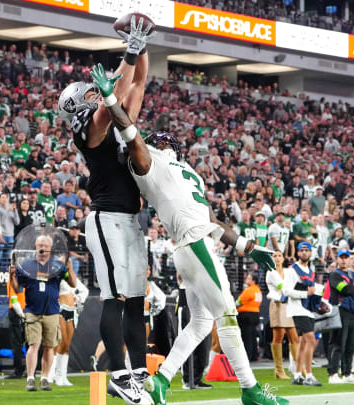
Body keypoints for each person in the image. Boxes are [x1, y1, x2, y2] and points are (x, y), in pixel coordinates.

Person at [91, 64, 285, 405]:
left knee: (200, 321)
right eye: (159, 138)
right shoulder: (150, 162)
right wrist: (109, 96)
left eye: (165, 138)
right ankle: (250, 390)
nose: (162, 139)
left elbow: (210, 216)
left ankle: (162, 380)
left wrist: (246, 245)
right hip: (193, 243)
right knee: (227, 313)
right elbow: (130, 131)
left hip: (197, 240)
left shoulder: (189, 172)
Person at [59, 16, 155, 404]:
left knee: (135, 301)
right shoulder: (87, 131)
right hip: (107, 220)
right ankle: (118, 374)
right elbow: (111, 98)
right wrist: (129, 50)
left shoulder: (117, 122)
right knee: (114, 298)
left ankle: (138, 370)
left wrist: (142, 46)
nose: (96, 96)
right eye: (90, 95)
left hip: (131, 220)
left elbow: (138, 84)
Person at [9, 234, 77, 392]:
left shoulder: (57, 266)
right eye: (40, 245)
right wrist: (11, 275)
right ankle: (31, 378)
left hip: (52, 311)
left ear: (50, 249)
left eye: (45, 246)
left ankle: (45, 378)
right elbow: (16, 287)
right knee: (34, 344)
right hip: (32, 310)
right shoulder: (27, 265)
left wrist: (71, 269)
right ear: (35, 247)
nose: (42, 248)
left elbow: (72, 283)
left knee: (49, 346)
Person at [282, 242, 321, 386]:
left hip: (308, 309)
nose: (304, 253)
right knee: (311, 339)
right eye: (302, 250)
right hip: (297, 309)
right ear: (298, 253)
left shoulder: (311, 270)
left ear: (310, 253)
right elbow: (286, 291)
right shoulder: (292, 270)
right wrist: (305, 293)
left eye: (307, 250)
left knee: (304, 342)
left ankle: (298, 375)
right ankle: (309, 375)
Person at [326, 249, 354, 384]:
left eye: (346, 258)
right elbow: (344, 289)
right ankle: (332, 373)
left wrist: (351, 290)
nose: (344, 260)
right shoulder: (334, 275)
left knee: (351, 343)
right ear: (337, 259)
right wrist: (353, 290)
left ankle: (347, 372)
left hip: (353, 312)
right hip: (340, 311)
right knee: (338, 343)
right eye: (341, 257)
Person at [265, 249, 299, 380]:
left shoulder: (288, 272)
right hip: (278, 305)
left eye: (279, 256)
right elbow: (283, 287)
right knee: (278, 336)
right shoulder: (270, 272)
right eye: (274, 256)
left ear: (283, 258)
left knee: (294, 337)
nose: (277, 258)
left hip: (289, 304)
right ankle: (279, 370)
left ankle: (298, 368)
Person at [52, 277, 88, 386]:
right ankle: (52, 374)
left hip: (72, 311)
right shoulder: (57, 275)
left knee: (67, 345)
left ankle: (63, 376)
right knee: (60, 342)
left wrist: (78, 300)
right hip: (60, 309)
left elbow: (85, 290)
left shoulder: (72, 278)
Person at [237, 272, 262, 362]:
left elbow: (239, 301)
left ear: (253, 281)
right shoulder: (258, 290)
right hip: (255, 314)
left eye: (248, 278)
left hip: (246, 315)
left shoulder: (248, 290)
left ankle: (247, 356)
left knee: (246, 337)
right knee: (253, 336)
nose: (246, 280)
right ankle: (254, 355)